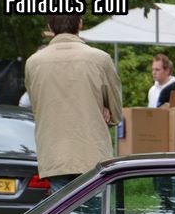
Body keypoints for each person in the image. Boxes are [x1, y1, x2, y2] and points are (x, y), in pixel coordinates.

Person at [25, 14, 122, 193]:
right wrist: (101, 111)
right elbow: (116, 113)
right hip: (92, 152)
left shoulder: (33, 62)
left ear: (50, 27)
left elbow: (37, 106)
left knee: (63, 209)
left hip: (54, 154)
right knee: (94, 208)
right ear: (80, 24)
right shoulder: (100, 59)